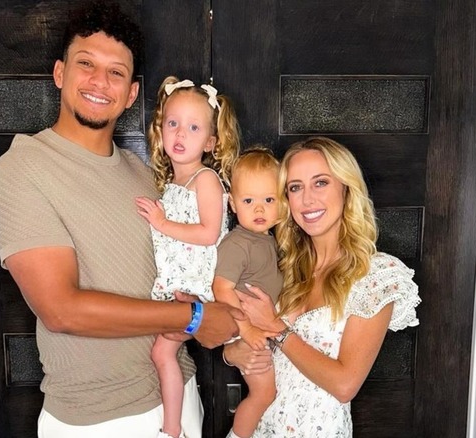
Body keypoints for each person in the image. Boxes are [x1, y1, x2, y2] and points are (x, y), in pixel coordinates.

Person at [0, 2, 241, 437]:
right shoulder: (22, 169)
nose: (99, 82)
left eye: (116, 72)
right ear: (60, 73)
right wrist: (194, 318)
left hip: (178, 396)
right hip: (97, 418)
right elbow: (62, 310)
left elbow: (198, 261)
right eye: (86, 64)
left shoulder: (146, 177)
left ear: (131, 94)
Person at [225, 137, 421, 438]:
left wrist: (278, 329)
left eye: (320, 183)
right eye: (295, 187)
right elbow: (242, 332)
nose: (306, 199)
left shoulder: (376, 275)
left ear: (346, 188)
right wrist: (233, 353)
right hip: (258, 428)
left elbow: (345, 385)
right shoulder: (284, 267)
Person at [134, 76, 240, 438]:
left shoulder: (205, 179)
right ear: (161, 129)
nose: (180, 134)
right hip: (176, 284)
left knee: (161, 355)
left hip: (196, 286)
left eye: (193, 127)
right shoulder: (172, 185)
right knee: (159, 352)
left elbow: (208, 233)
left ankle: (172, 430)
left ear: (210, 142)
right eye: (173, 124)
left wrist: (162, 223)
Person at [212, 146, 283, 438]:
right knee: (264, 393)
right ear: (232, 204)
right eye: (248, 200)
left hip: (262, 329)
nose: (258, 209)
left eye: (269, 199)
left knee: (270, 394)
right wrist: (246, 329)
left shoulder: (267, 240)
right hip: (246, 331)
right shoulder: (237, 244)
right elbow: (221, 288)